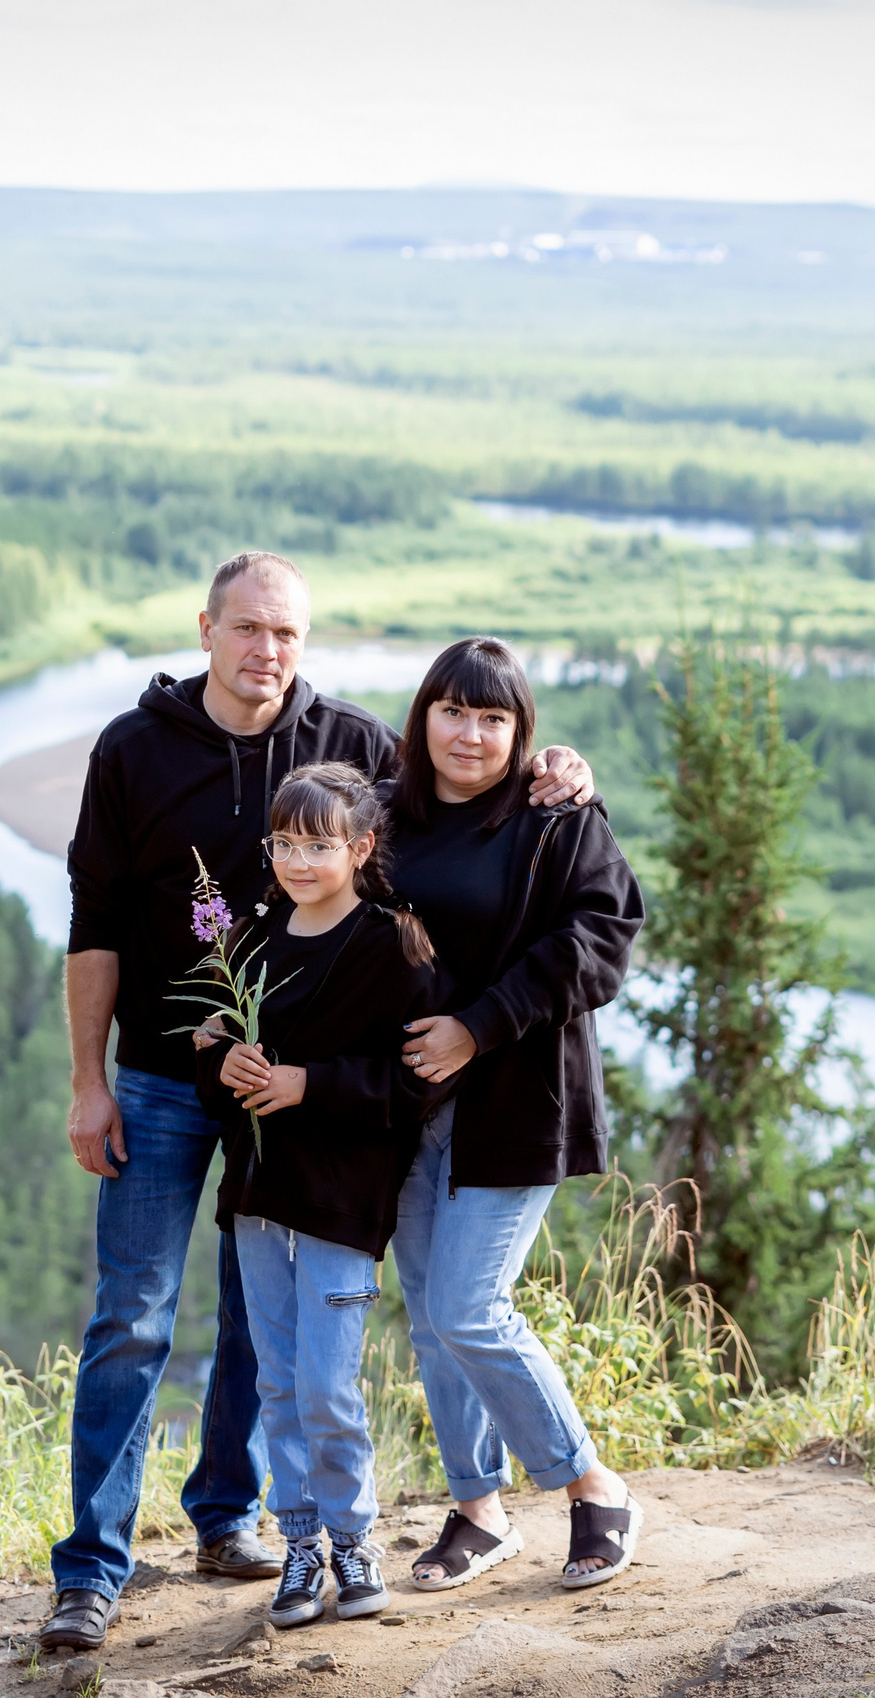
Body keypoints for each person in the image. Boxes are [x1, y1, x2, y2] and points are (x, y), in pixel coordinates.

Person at [43, 556, 595, 1652]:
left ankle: (231, 1520)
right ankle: (93, 1570)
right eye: (247, 628)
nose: (267, 650)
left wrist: (559, 768)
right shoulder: (133, 749)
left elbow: (462, 790)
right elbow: (94, 918)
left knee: (266, 1324)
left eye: (286, 632)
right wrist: (89, 1080)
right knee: (133, 1317)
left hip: (297, 1100)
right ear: (206, 628)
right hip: (164, 1076)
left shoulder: (354, 747)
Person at [384, 636, 649, 1595]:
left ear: (521, 732)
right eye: (453, 711)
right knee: (432, 1320)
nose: (470, 733)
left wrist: (478, 1026)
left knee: (468, 1306)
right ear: (423, 716)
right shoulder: (386, 815)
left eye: (493, 718)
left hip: (517, 1099)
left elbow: (603, 942)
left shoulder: (556, 819)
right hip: (403, 1105)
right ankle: (478, 1509)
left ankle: (592, 1484)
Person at [190, 763, 448, 1629]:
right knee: (278, 1383)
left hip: (341, 1205)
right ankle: (300, 1547)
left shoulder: (394, 944)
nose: (298, 861)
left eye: (319, 844)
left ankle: (355, 1541)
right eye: (284, 843)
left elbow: (414, 1083)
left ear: (361, 847)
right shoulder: (250, 939)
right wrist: (222, 1064)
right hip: (259, 1200)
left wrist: (309, 1085)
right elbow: (211, 1058)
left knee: (330, 1388)